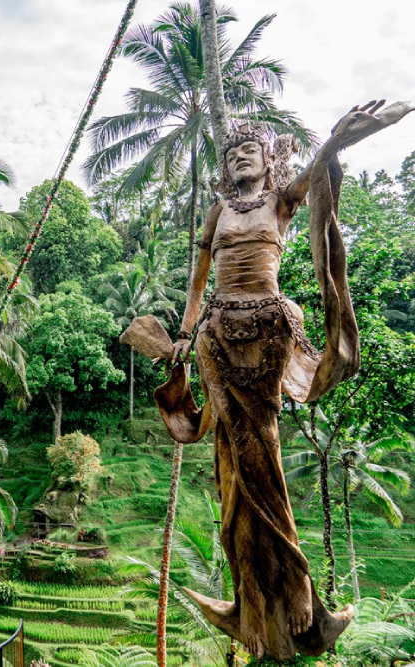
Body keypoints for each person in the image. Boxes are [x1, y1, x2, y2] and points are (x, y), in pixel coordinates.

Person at [153, 101, 413, 660]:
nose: (240, 155)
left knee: (263, 454)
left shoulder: (281, 200)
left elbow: (317, 175)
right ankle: (248, 600)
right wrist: (181, 333)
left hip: (268, 333)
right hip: (218, 336)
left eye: (251, 150)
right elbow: (197, 283)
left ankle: (296, 586)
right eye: (232, 153)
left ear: (268, 162)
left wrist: (341, 138)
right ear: (225, 167)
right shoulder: (218, 213)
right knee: (230, 465)